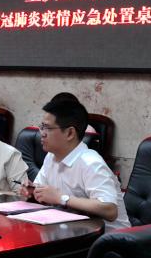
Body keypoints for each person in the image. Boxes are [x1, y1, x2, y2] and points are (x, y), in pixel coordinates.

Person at [20, 98, 130, 231]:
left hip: (107, 239)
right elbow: (43, 191)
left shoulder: (91, 163)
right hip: (70, 231)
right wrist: (32, 191)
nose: (41, 133)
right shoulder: (51, 157)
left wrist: (61, 198)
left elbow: (110, 210)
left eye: (47, 128)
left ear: (70, 133)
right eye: (41, 126)